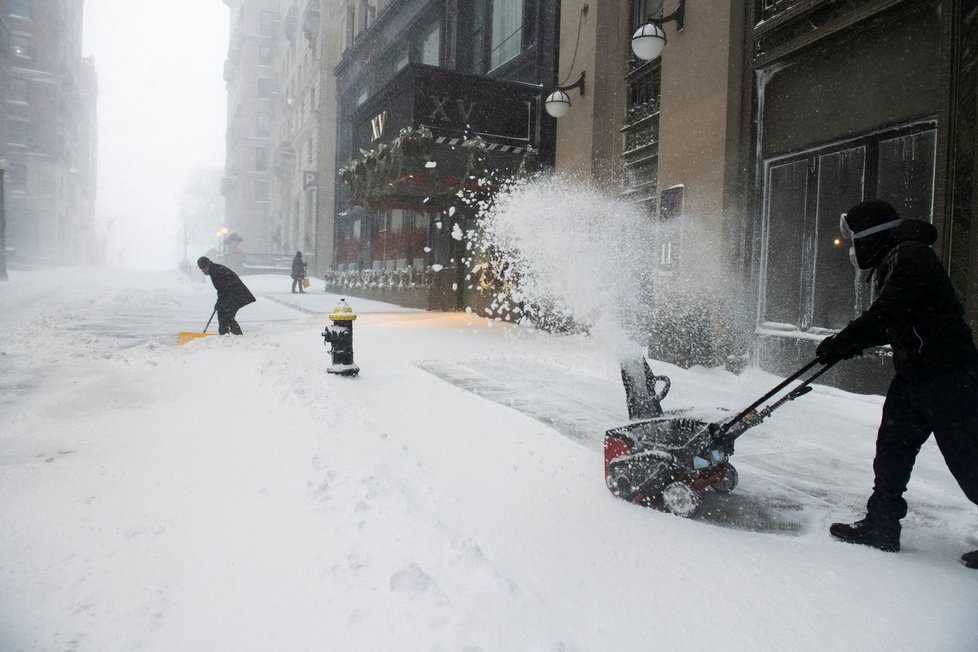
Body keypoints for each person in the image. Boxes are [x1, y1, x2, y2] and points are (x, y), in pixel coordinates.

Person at [815, 199, 978, 569]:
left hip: (950, 378)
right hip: (915, 376)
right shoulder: (895, 258)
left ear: (870, 237)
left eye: (853, 239)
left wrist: (846, 340)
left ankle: (882, 524)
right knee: (892, 451)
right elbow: (895, 320)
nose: (852, 249)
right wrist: (850, 342)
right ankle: (882, 526)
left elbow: (890, 310)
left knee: (970, 462)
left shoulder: (911, 255)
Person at [197, 256, 256, 336]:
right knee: (226, 316)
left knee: (224, 315)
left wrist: (219, 303)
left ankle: (226, 336)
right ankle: (235, 336)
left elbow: (222, 288)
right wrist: (219, 302)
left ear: (207, 265)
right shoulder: (215, 269)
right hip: (235, 294)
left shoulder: (215, 271)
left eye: (203, 269)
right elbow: (223, 288)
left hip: (236, 295)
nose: (203, 271)